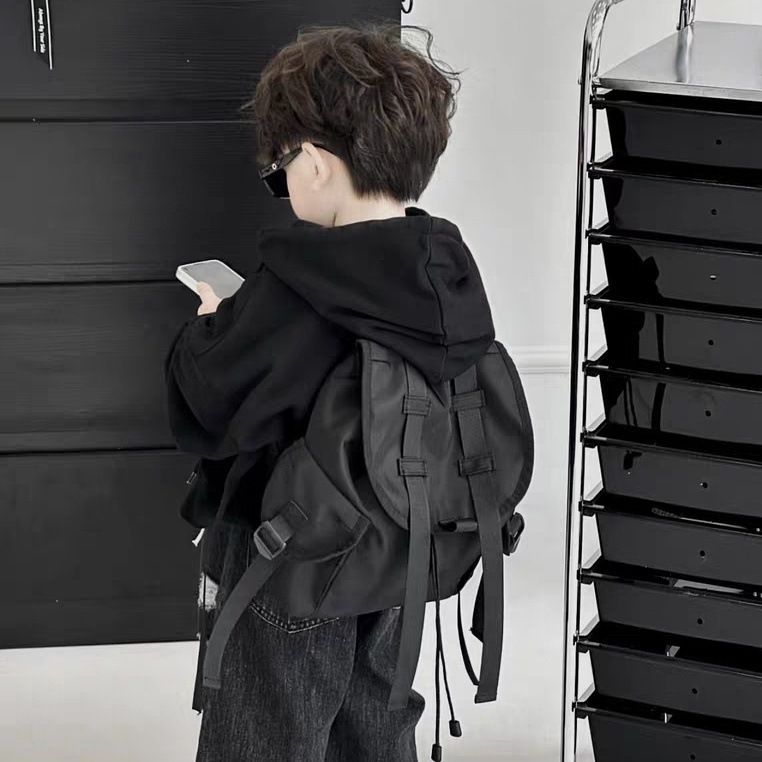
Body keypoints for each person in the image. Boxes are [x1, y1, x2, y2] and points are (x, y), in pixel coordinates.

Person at [164, 19, 496, 762]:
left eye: (277, 169)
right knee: (376, 719)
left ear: (312, 163)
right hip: (404, 546)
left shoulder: (298, 286)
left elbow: (211, 404)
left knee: (264, 729)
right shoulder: (445, 271)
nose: (280, 185)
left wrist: (214, 324)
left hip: (292, 555)